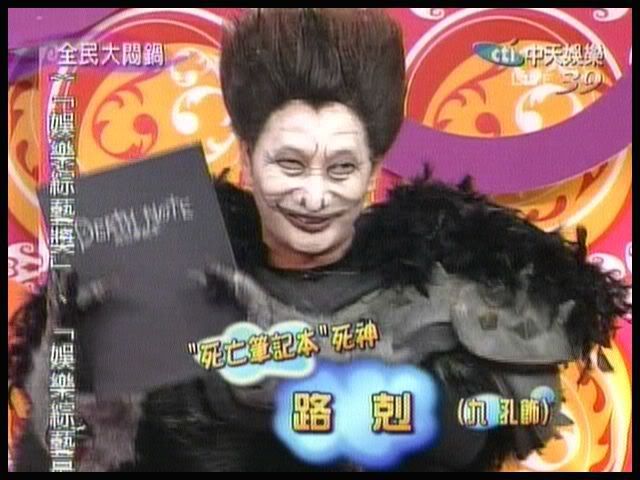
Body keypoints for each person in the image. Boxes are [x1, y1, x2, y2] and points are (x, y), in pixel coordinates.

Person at [11, 8, 629, 471]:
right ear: (247, 159)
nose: (314, 196)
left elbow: (498, 424)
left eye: (341, 168)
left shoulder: (444, 294)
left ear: (373, 170)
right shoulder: (167, 289)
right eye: (290, 164)